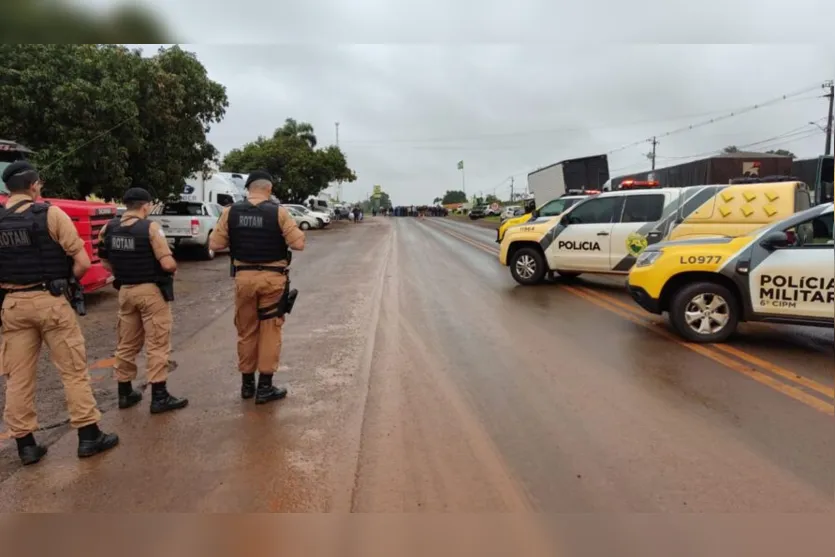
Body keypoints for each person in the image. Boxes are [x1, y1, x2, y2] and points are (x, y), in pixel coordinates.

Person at [0, 161, 119, 465]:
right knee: (73, 371)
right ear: (34, 185)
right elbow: (80, 261)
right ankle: (88, 436)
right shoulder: (50, 214)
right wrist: (67, 283)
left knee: (18, 377)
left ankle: (26, 445)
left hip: (13, 304)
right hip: (49, 300)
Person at [208, 170, 305, 404]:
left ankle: (247, 385)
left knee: (246, 331)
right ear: (269, 189)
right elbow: (298, 243)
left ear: (248, 188)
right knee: (270, 331)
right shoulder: (279, 212)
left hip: (243, 278)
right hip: (272, 279)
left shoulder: (231, 212)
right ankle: (265, 388)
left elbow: (215, 243)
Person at [97, 188, 188, 414]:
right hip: (150, 291)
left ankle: (125, 392)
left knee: (126, 343)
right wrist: (172, 268)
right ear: (145, 206)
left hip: (125, 291)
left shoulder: (109, 227)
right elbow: (167, 264)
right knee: (157, 342)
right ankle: (159, 396)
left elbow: (105, 261)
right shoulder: (150, 228)